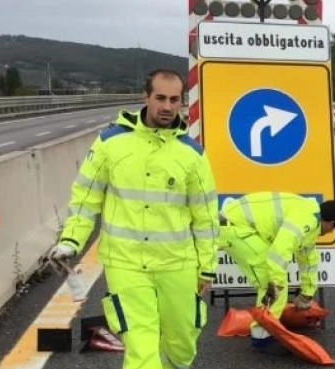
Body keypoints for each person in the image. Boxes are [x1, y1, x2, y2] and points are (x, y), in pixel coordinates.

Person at [47, 69, 220, 369]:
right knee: (141, 350)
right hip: (125, 265)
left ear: (182, 102)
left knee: (182, 344)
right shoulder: (111, 143)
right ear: (146, 97)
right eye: (160, 98)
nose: (167, 107)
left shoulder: (192, 154)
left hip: (176, 264)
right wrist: (71, 240)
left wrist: (206, 267)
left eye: (174, 100)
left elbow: (205, 216)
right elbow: (86, 197)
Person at [218, 192, 335, 354]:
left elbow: (308, 259)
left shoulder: (311, 218)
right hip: (235, 229)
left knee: (275, 284)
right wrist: (276, 283)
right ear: (332, 222)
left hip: (240, 226)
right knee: (272, 285)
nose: (331, 232)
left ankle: (264, 332)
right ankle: (261, 338)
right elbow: (279, 252)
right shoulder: (305, 220)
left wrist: (307, 294)